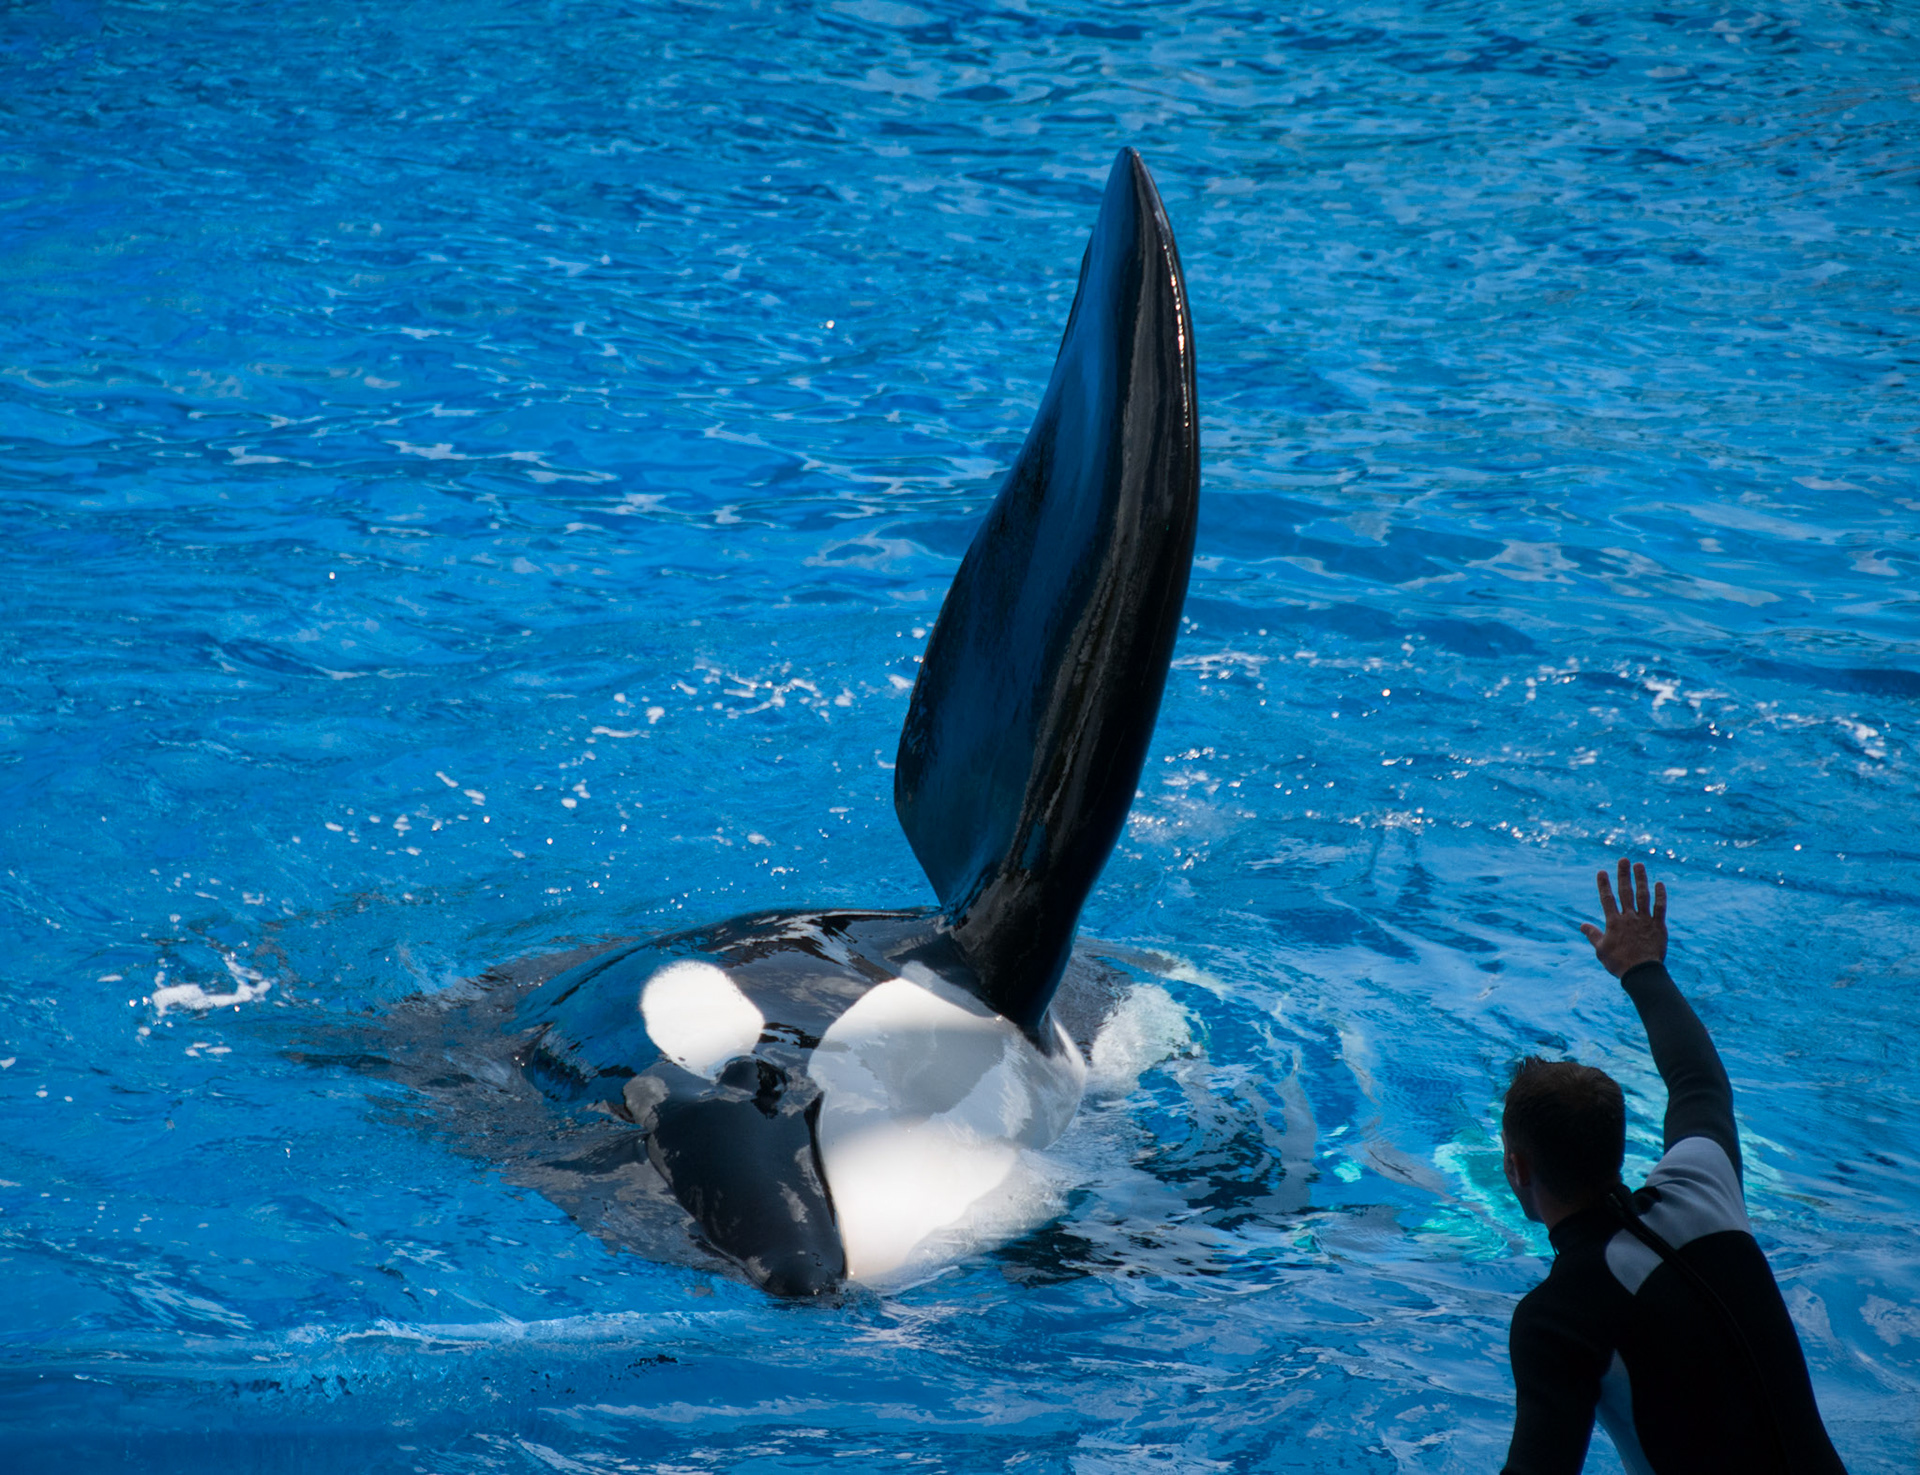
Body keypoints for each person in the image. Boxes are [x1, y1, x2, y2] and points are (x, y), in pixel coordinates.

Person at [1498, 859, 1847, 1474]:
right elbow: (1698, 1081)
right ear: (1617, 1143)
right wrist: (1642, 967)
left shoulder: (1561, 1317)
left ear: (1517, 1169)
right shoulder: (1702, 1188)